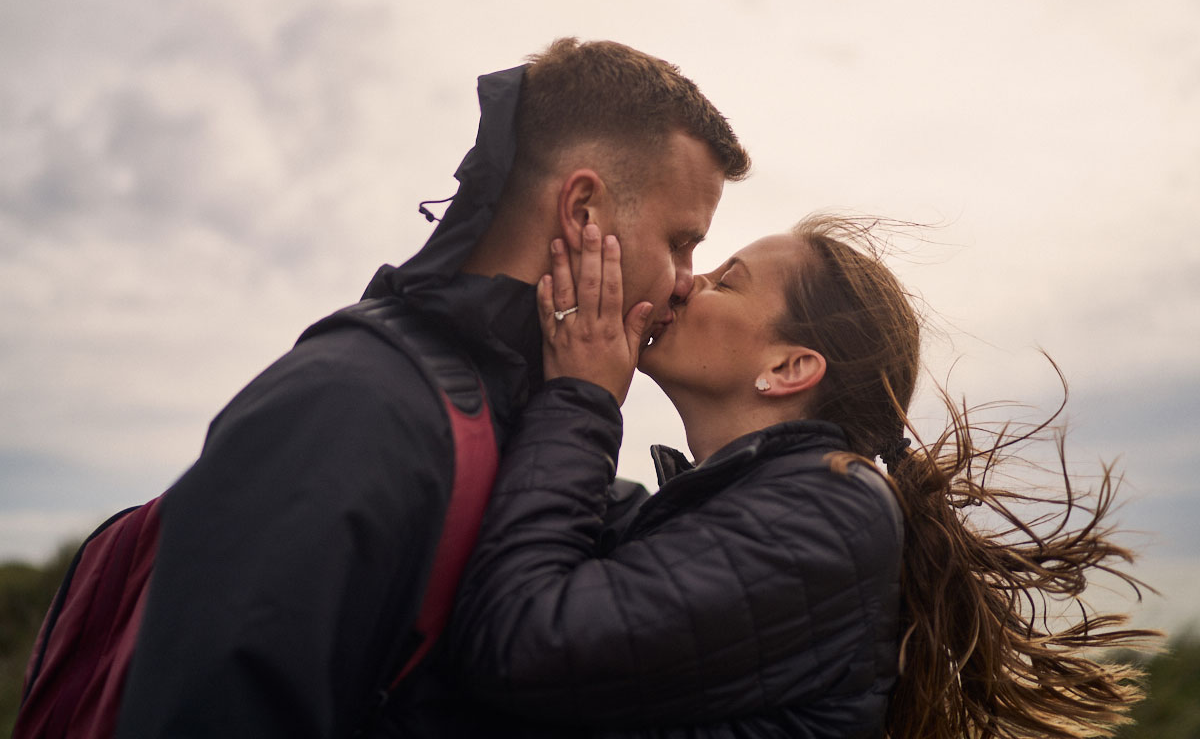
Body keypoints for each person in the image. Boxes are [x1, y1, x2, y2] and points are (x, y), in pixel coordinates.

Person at [113, 38, 751, 737]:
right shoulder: (347, 407)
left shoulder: (537, 422)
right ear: (583, 211)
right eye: (681, 242)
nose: (689, 278)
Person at [443, 215, 1156, 738]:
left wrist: (584, 397)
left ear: (789, 369)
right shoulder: (740, 508)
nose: (689, 283)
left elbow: (524, 639)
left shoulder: (833, 511)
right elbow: (561, 526)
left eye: (728, 282)